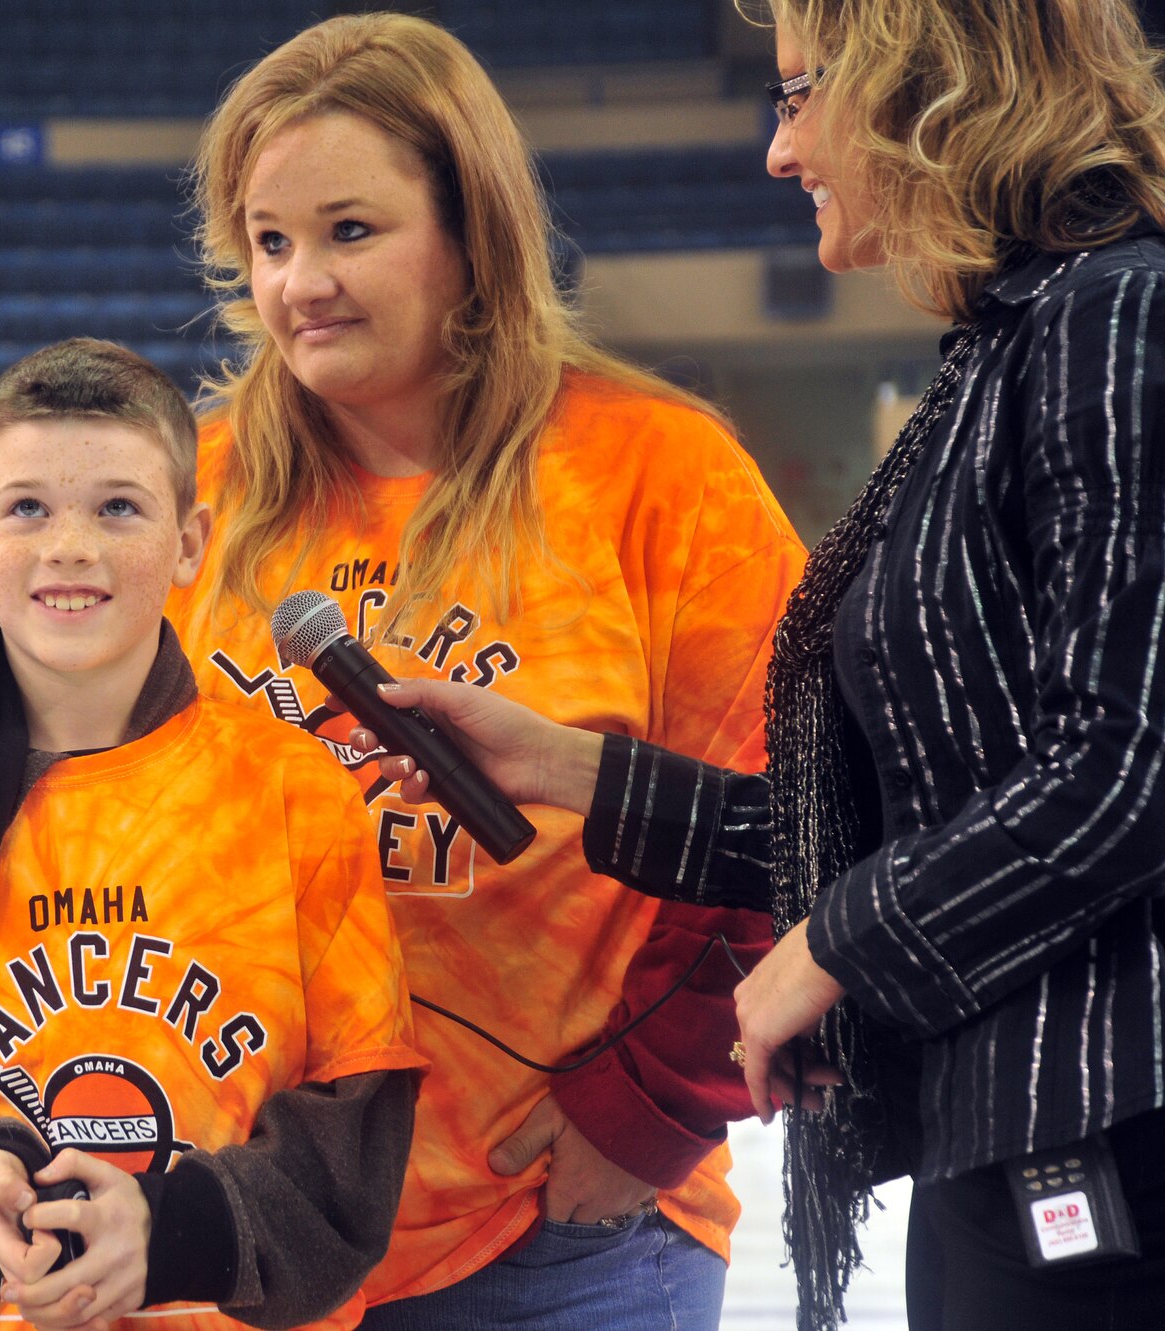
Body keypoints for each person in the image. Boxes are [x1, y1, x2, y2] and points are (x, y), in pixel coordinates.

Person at [350, 2, 1165, 1327]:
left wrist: (831, 944)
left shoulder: (1114, 314)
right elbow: (864, 825)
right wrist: (557, 763)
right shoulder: (1006, 347)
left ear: (925, 85)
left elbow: (1129, 767)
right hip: (1016, 1134)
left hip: (1114, 1136)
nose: (780, 153)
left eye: (798, 96)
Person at [168, 14, 808, 1329]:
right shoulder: (192, 489)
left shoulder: (663, 481)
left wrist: (649, 1109)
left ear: (473, 235)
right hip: (243, 1215)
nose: (301, 283)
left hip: (558, 1230)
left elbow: (794, 827)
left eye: (351, 231)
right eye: (270, 241)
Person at [0, 339, 428, 1331]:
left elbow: (356, 1129)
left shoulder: (292, 791)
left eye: (117, 506)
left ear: (191, 540)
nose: (70, 543)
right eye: (27, 507)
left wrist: (175, 1231)